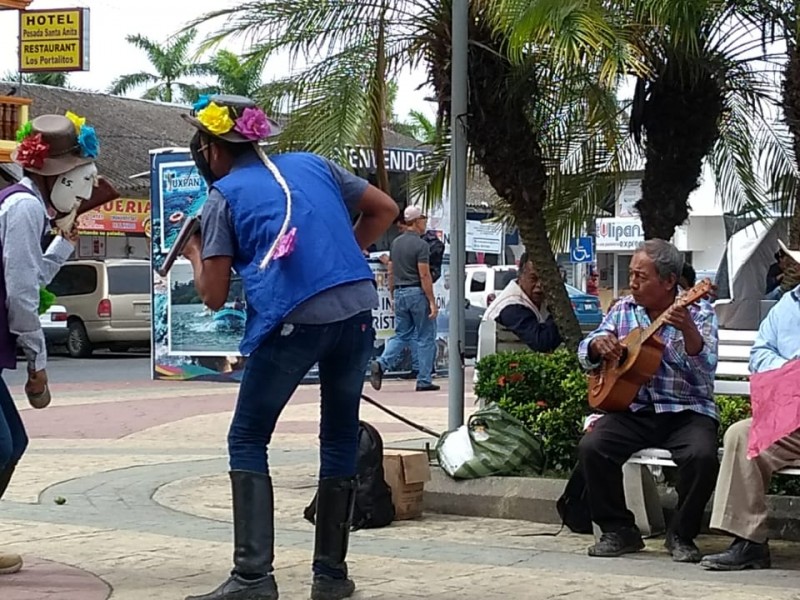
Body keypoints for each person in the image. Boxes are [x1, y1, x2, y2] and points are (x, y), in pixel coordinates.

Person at [179, 94, 397, 600]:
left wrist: (193, 250)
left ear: (212, 151)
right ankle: (331, 577)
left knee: (248, 437)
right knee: (339, 436)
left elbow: (211, 297)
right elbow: (383, 209)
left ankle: (253, 577)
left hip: (294, 319)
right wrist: (343, 252)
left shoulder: (223, 197)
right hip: (356, 309)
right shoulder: (313, 164)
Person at [577, 239, 719, 563]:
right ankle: (619, 530)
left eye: (641, 276)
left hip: (686, 410)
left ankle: (681, 535)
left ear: (669, 281)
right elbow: (586, 348)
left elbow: (705, 373)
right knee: (593, 446)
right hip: (635, 409)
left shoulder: (698, 311)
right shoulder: (622, 309)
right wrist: (598, 346)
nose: (633, 283)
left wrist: (689, 334)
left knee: (701, 456)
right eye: (631, 274)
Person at [1, 112, 99, 574]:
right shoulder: (23, 208)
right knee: (3, 446)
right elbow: (21, 295)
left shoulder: (29, 208)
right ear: (54, 176)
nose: (83, 194)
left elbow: (30, 276)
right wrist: (37, 362)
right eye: (80, 182)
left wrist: (62, 247)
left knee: (13, 442)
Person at [700, 277, 800, 571]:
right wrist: (789, 366)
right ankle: (749, 542)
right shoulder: (787, 306)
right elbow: (759, 354)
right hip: (790, 415)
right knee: (742, 435)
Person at [369, 205, 439, 392]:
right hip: (417, 292)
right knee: (425, 336)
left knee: (402, 334)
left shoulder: (396, 243)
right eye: (423, 219)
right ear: (416, 222)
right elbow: (424, 275)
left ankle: (382, 363)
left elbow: (391, 271)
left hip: (399, 293)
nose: (425, 223)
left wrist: (392, 294)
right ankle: (424, 379)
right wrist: (432, 301)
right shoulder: (421, 245)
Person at [482, 251, 562, 353]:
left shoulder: (540, 301)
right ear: (520, 277)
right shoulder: (511, 306)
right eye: (534, 278)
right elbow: (542, 343)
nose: (540, 285)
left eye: (544, 279)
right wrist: (559, 310)